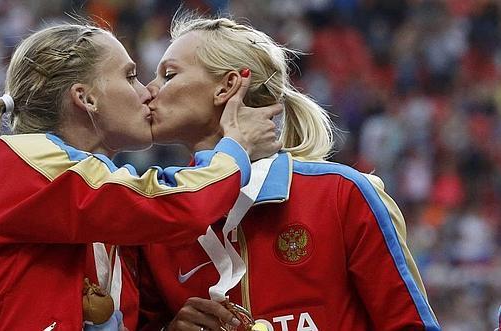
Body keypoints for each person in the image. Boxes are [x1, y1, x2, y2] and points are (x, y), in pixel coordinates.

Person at [0, 22, 282, 330]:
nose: (148, 92)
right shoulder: (19, 164)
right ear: (86, 98)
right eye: (130, 76)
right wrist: (234, 146)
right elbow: (178, 204)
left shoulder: (100, 197)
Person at [138, 15, 441, 331]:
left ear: (227, 87)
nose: (148, 91)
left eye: (168, 75)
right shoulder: (159, 217)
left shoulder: (342, 194)